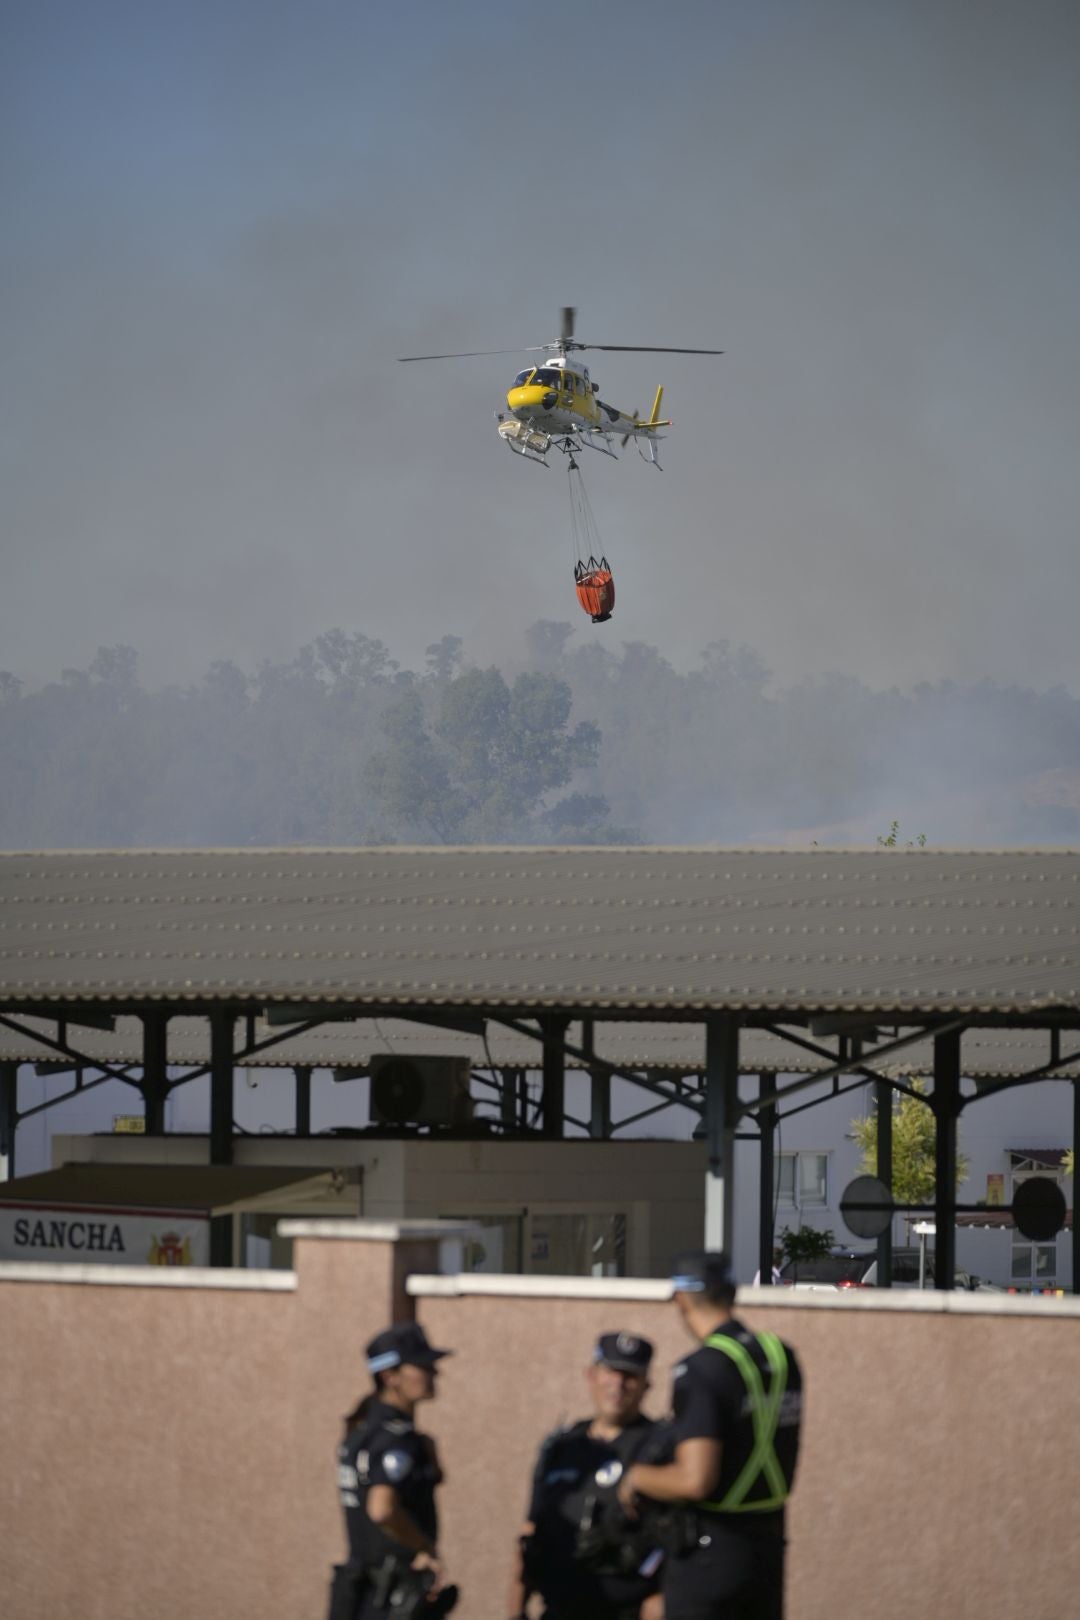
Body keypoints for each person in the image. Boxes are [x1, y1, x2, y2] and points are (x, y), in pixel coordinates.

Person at [618, 1253, 803, 1620]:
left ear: (681, 1299)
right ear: (731, 1293)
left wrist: (636, 1477)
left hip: (712, 1553)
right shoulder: (781, 1357)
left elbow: (695, 1480)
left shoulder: (701, 1369)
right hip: (767, 1549)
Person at [509, 1331, 664, 1620]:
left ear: (647, 1385)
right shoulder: (563, 1446)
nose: (618, 1384)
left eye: (630, 1375)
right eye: (610, 1372)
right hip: (558, 1608)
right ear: (591, 1375)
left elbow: (671, 1548)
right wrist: (516, 1610)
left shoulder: (658, 1448)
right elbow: (530, 1532)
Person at [331, 1320, 457, 1620]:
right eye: (422, 1366)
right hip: (391, 1596)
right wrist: (424, 1547)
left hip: (359, 1594)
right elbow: (382, 1509)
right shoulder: (396, 1438)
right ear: (390, 1376)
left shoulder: (362, 1432)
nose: (434, 1373)